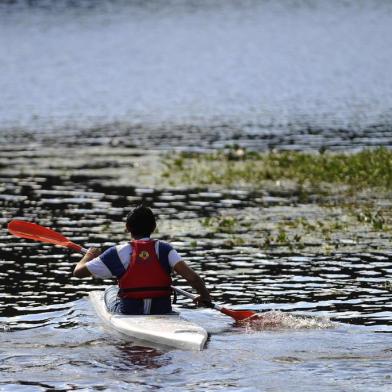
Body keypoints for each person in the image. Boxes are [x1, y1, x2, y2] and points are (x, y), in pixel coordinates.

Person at [73, 205, 211, 315]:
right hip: (161, 309)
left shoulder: (116, 252)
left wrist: (89, 256)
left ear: (127, 228)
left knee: (111, 289)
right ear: (154, 227)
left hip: (130, 311)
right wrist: (205, 296)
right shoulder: (165, 249)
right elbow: (193, 278)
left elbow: (78, 272)